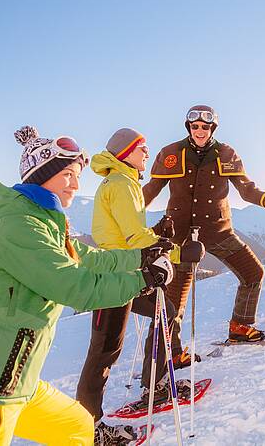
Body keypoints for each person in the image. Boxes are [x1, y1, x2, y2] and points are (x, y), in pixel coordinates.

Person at [0, 126, 188, 446]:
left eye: (77, 175)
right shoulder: (20, 227)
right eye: (67, 174)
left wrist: (141, 257)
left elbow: (87, 258)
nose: (76, 185)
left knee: (76, 426)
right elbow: (75, 286)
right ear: (41, 174)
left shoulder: (45, 220)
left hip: (18, 384)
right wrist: (143, 279)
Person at [143, 105, 265, 356]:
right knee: (175, 297)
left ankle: (241, 327)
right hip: (180, 237)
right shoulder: (171, 153)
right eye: (195, 126)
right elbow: (151, 189)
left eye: (205, 126)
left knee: (252, 272)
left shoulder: (226, 153)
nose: (199, 130)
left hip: (217, 230)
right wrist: (127, 213)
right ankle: (173, 352)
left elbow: (246, 189)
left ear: (213, 128)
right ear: (189, 127)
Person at [76, 128, 187, 441]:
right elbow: (133, 238)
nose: (147, 154)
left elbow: (131, 231)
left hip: (125, 272)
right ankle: (89, 428)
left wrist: (158, 232)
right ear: (125, 153)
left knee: (164, 310)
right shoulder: (122, 184)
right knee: (104, 350)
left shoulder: (122, 182)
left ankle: (158, 383)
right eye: (142, 149)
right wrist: (177, 252)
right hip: (113, 276)